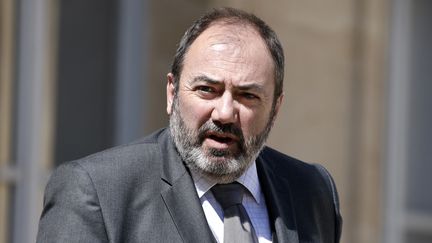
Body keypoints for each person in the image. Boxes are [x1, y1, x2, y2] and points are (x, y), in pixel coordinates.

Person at [37, 7, 342, 243]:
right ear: (172, 93)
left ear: (276, 108)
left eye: (247, 95)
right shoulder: (97, 192)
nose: (224, 113)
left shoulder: (312, 190)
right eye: (207, 89)